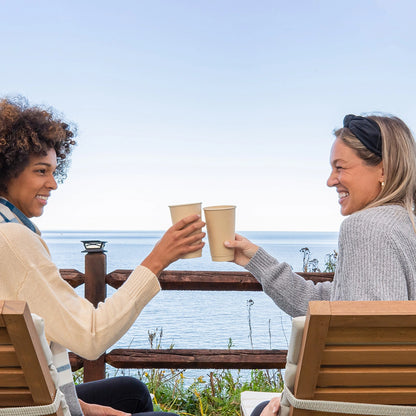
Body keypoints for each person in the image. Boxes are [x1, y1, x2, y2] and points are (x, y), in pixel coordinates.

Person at [0, 96, 205, 416]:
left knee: (132, 392)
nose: (52, 184)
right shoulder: (12, 240)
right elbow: (91, 336)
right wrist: (158, 259)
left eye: (54, 171)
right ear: (6, 170)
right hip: (31, 411)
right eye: (41, 171)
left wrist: (87, 408)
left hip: (21, 400)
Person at [225, 114, 416, 416]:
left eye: (340, 168)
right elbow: (333, 307)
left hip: (361, 407)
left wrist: (296, 399)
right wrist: (255, 259)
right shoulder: (406, 224)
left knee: (264, 409)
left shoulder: (366, 228)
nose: (330, 181)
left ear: (383, 168)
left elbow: (367, 348)